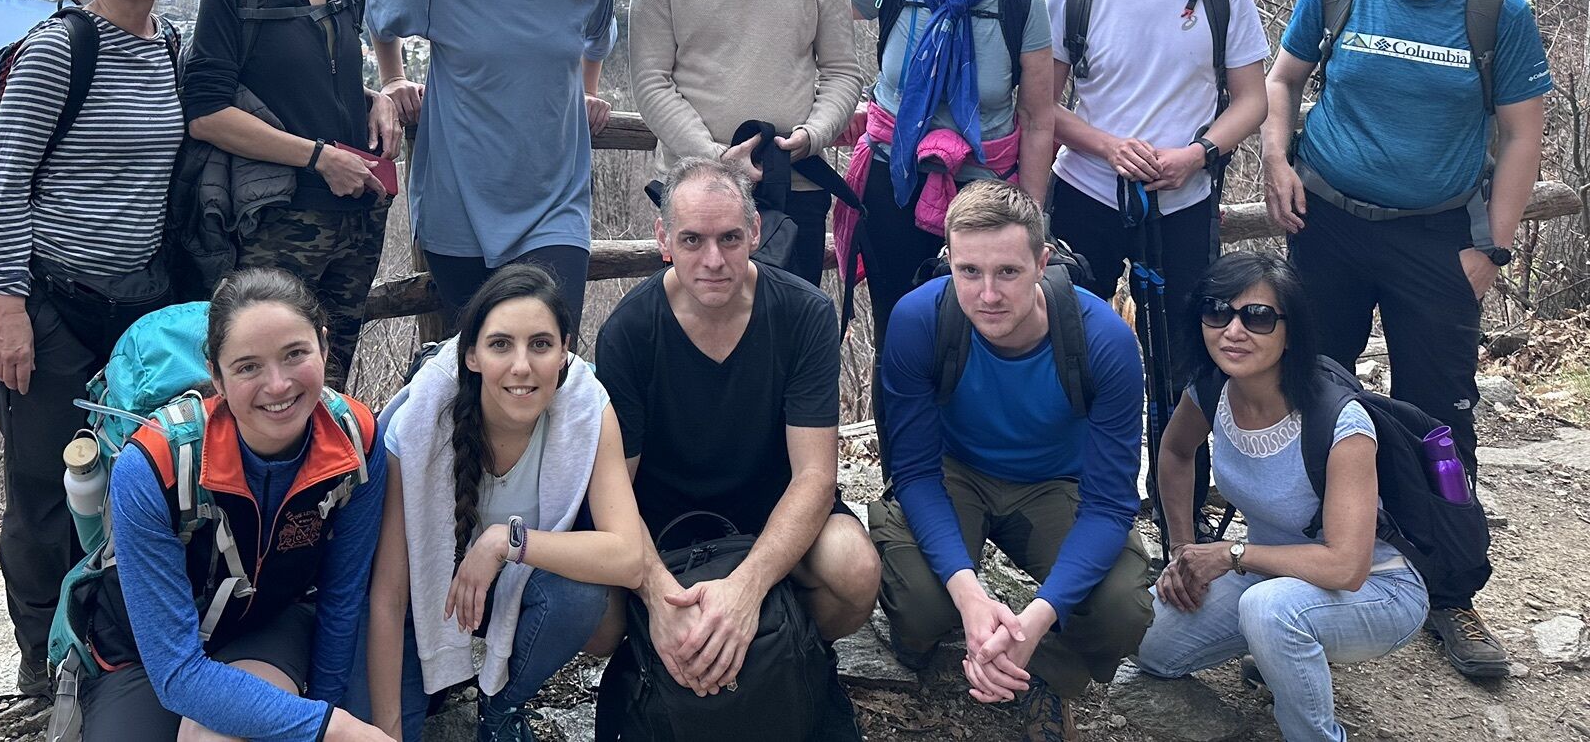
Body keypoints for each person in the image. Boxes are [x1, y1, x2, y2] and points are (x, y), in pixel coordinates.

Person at [1261, 0, 1550, 679]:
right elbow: (1283, 80)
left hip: (1437, 237)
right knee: (1311, 390)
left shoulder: (1494, 9)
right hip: (1327, 225)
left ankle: (1450, 588)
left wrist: (1491, 246)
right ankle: (1305, 567)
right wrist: (1276, 158)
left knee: (1440, 417)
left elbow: (1522, 132)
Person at [0, 0, 188, 695]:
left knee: (138, 478)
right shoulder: (60, 49)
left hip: (139, 309)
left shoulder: (170, 49)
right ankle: (42, 656)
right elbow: (6, 185)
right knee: (43, 488)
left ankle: (112, 636)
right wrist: (7, 307)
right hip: (48, 302)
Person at [595, 156, 879, 718]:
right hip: (664, 524)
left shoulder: (805, 313)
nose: (713, 260)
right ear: (664, 240)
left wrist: (747, 593)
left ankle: (782, 650)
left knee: (855, 569)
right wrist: (659, 598)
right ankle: (669, 658)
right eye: (692, 240)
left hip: (771, 510)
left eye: (729, 237)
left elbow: (816, 476)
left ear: (755, 231)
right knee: (593, 617)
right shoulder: (628, 330)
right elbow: (614, 491)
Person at [872, 181, 1151, 742]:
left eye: (1008, 272)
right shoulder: (920, 320)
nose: (988, 294)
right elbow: (916, 473)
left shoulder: (1103, 341)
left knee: (1120, 609)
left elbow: (1108, 504)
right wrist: (970, 595)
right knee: (923, 609)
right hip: (953, 474)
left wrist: (1036, 619)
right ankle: (952, 636)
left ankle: (1036, 670)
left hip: (1056, 483)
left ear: (1042, 263)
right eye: (969, 271)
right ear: (949, 260)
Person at [79, 268, 394, 742]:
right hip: (148, 651)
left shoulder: (355, 440)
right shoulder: (156, 465)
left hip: (264, 625)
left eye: (295, 354)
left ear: (325, 347)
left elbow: (341, 596)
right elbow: (176, 673)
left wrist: (325, 711)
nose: (278, 385)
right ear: (217, 377)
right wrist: (331, 727)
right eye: (248, 367)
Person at [1137, 252, 1430, 742]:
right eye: (1217, 312)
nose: (1233, 331)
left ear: (1290, 332)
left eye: (1257, 317)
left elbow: (1346, 568)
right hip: (1268, 573)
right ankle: (1280, 648)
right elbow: (1175, 451)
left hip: (1378, 588)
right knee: (1149, 642)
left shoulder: (1340, 423)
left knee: (1270, 611)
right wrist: (1183, 550)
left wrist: (1229, 555)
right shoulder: (1211, 388)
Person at [367, 265, 646, 742]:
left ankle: (499, 708)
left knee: (583, 598)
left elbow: (628, 557)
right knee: (396, 719)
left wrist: (504, 541)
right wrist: (387, 731)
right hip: (426, 599)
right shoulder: (421, 422)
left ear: (565, 351)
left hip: (514, 586)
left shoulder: (587, 407)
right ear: (471, 355)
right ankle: (440, 685)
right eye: (500, 344)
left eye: (540, 344)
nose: (521, 366)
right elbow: (388, 594)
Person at [367, 0, 617, 325]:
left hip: (555, 204)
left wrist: (586, 92)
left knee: (551, 348)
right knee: (481, 356)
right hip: (459, 207)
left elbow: (597, 38)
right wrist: (392, 78)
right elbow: (376, 3)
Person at [182, 0, 403, 389]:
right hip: (277, 218)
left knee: (332, 375)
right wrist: (319, 158)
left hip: (357, 213)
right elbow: (206, 112)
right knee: (270, 378)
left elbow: (313, 78)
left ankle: (329, 453)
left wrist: (374, 98)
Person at [836, 0, 1055, 375]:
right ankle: (902, 429)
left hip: (985, 191)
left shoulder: (1019, 2)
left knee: (984, 334)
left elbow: (1037, 117)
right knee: (898, 334)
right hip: (894, 183)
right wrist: (832, 101)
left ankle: (970, 430)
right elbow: (803, 9)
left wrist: (1032, 214)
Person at [1047, 0, 1270, 358]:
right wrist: (1109, 148)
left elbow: (1252, 99)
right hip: (1085, 193)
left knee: (1184, 351)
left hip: (1184, 199)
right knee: (1071, 343)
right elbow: (1041, 107)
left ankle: (1178, 419)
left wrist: (1196, 155)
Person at [629, 0, 863, 284]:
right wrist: (715, 157)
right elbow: (651, 82)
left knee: (790, 318)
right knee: (698, 316)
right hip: (696, 192)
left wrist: (813, 135)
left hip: (795, 186)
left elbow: (842, 72)